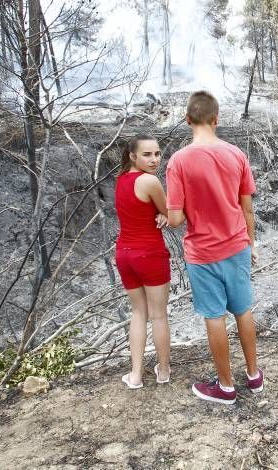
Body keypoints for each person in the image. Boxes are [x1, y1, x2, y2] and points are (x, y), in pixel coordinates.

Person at [166, 91, 263, 404]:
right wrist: (251, 242)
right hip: (237, 246)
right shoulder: (236, 154)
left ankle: (225, 387)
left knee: (215, 317)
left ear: (188, 120)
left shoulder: (178, 161)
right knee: (243, 310)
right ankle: (253, 376)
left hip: (203, 253)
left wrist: (163, 211)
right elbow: (247, 208)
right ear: (216, 118)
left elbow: (177, 219)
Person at [114, 135, 172, 389]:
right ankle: (163, 370)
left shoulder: (121, 180)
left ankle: (136, 375)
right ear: (132, 156)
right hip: (149, 253)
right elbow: (170, 211)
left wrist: (160, 212)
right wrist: (163, 212)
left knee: (138, 313)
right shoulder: (150, 181)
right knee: (158, 315)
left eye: (158, 154)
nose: (154, 160)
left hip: (124, 254)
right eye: (147, 155)